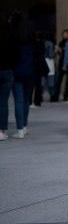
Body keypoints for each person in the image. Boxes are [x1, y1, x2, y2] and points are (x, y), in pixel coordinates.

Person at [0, 12, 18, 140]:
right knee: (3, 102)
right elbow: (15, 54)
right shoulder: (10, 33)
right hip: (7, 69)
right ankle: (2, 130)